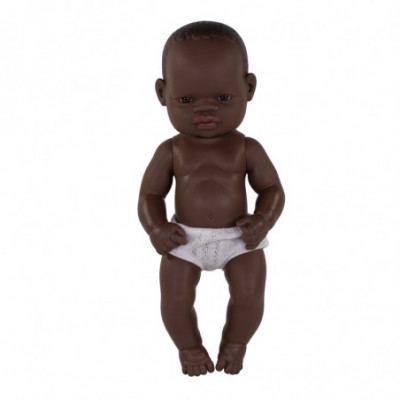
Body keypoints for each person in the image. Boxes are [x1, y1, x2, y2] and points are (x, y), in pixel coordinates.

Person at [138, 21, 285, 376]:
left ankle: (235, 344)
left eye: (223, 98)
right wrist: (156, 228)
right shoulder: (171, 150)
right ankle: (189, 349)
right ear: (162, 93)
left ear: (248, 88)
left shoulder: (247, 148)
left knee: (250, 295)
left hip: (239, 238)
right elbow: (150, 194)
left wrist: (263, 220)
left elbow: (272, 190)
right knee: (175, 299)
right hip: (184, 238)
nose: (205, 111)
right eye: (186, 100)